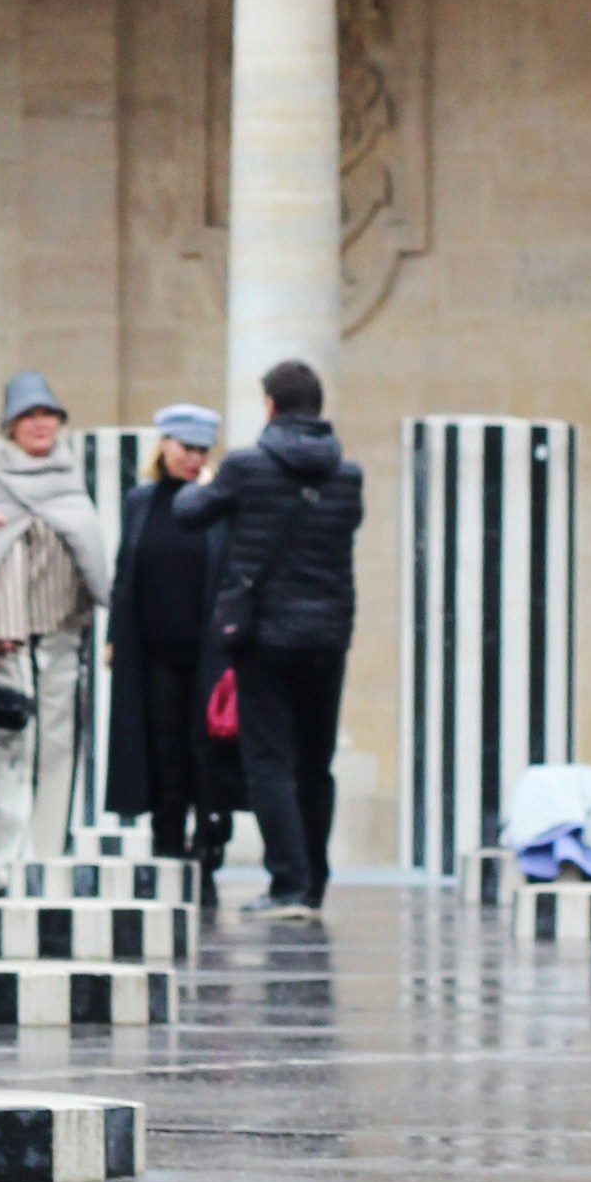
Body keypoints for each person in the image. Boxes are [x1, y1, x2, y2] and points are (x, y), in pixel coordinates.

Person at [178, 358, 364, 902]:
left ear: (270, 407)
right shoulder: (347, 477)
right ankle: (315, 885)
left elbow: (191, 511)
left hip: (264, 639)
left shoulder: (244, 468)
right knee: (316, 763)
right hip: (328, 636)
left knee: (269, 763)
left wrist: (212, 482)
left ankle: (287, 883)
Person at [0, 370, 110, 885]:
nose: (41, 424)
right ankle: (3, 867)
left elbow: (89, 555)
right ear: (10, 425)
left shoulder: (71, 477)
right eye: (29, 415)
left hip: (63, 631)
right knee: (7, 748)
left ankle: (47, 862)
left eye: (49, 414)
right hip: (7, 638)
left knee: (60, 746)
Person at [104, 403, 231, 889]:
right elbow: (125, 571)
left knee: (204, 747)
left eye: (203, 450)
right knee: (160, 746)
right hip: (151, 649)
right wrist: (116, 635)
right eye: (186, 448)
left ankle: (209, 836)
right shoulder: (142, 501)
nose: (194, 458)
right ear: (164, 446)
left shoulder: (215, 503)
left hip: (206, 650)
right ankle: (167, 839)